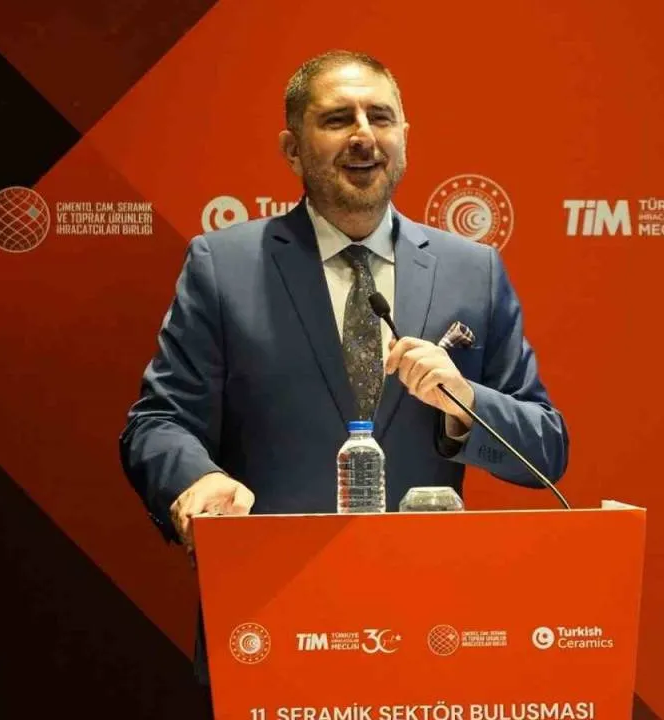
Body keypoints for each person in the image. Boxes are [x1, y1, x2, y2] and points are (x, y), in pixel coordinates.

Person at [118, 50, 570, 685]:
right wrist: (195, 482)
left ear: (404, 138)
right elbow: (158, 421)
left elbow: (546, 448)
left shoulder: (473, 270)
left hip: (430, 626)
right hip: (271, 622)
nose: (363, 135)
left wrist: (466, 404)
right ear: (292, 149)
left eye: (379, 117)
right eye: (337, 119)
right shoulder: (223, 265)